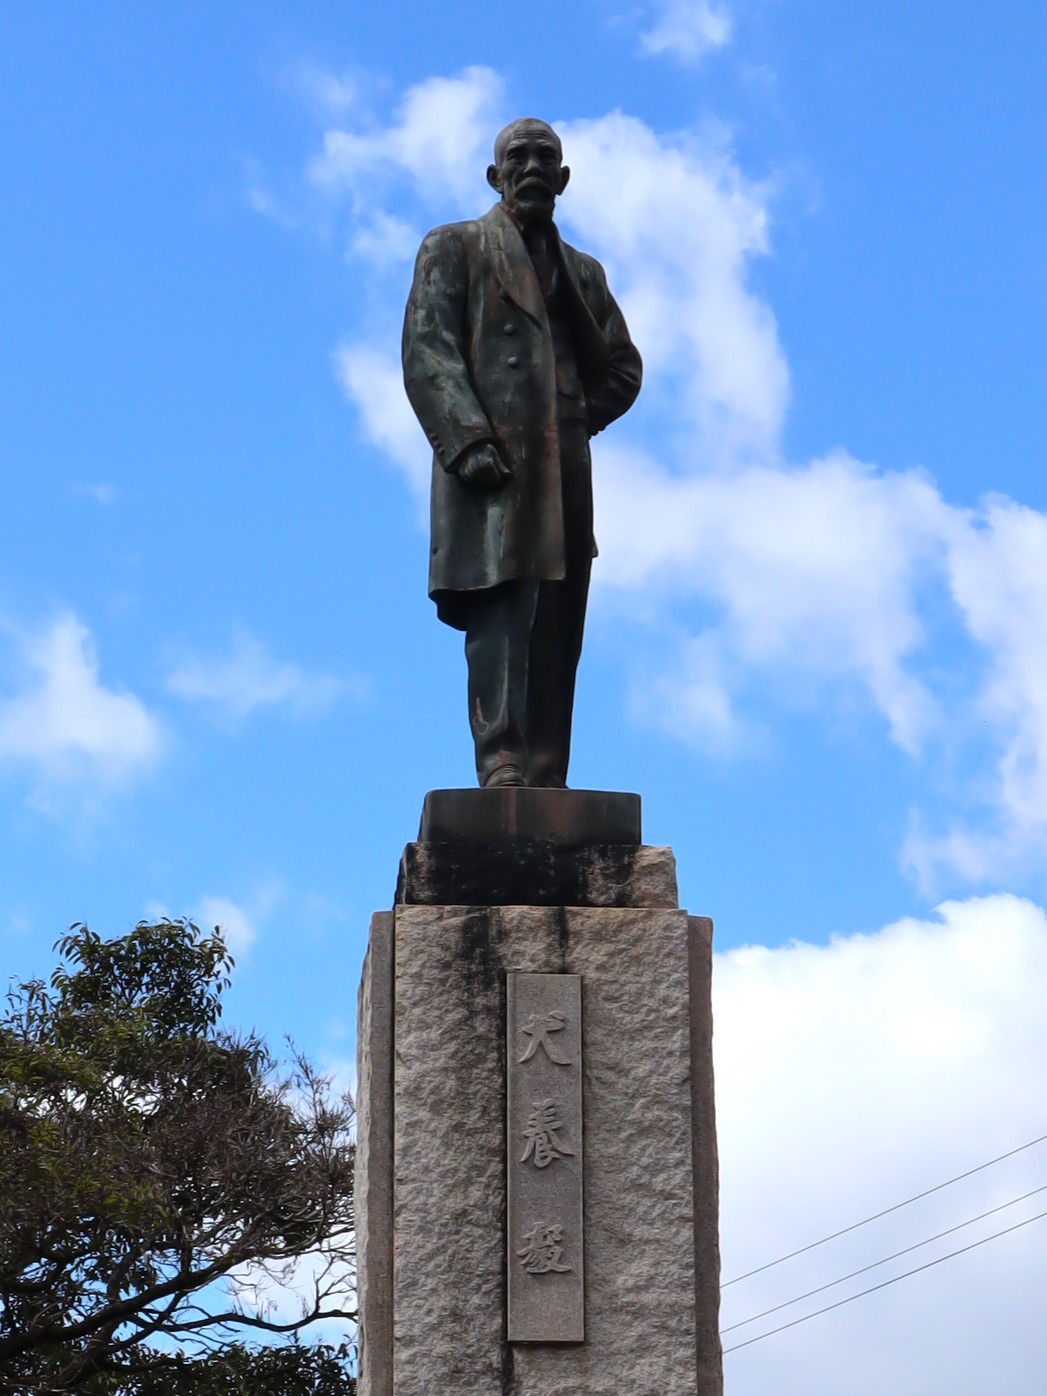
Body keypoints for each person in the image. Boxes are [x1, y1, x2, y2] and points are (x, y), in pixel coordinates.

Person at [402, 117, 642, 788]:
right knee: (502, 612)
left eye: (545, 158)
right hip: (495, 465)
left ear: (562, 178)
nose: (532, 168)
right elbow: (428, 350)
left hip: (564, 465)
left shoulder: (583, 273)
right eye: (519, 157)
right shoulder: (455, 246)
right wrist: (470, 440)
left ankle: (545, 772)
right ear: (495, 174)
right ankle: (501, 760)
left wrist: (575, 416)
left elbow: (623, 367)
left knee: (559, 624)